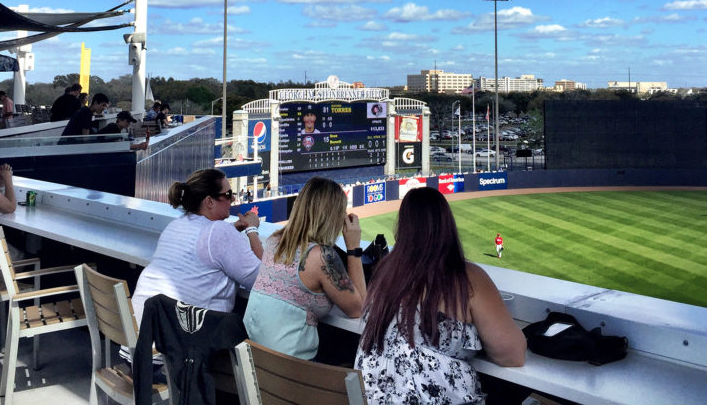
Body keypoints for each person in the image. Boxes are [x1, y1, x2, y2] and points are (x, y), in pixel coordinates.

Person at [356, 186, 525, 405]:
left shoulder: (385, 270)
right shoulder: (466, 277)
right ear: (447, 225)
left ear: (402, 227)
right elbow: (512, 355)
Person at [244, 176, 366, 360]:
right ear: (332, 216)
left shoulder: (275, 242)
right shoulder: (321, 256)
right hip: (290, 370)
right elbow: (358, 309)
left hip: (257, 362)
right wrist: (353, 248)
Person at [131, 168, 262, 326]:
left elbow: (206, 245)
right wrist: (252, 229)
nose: (233, 199)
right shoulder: (219, 232)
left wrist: (233, 229)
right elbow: (262, 279)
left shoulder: (175, 225)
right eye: (228, 194)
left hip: (139, 337)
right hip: (178, 344)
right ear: (209, 201)